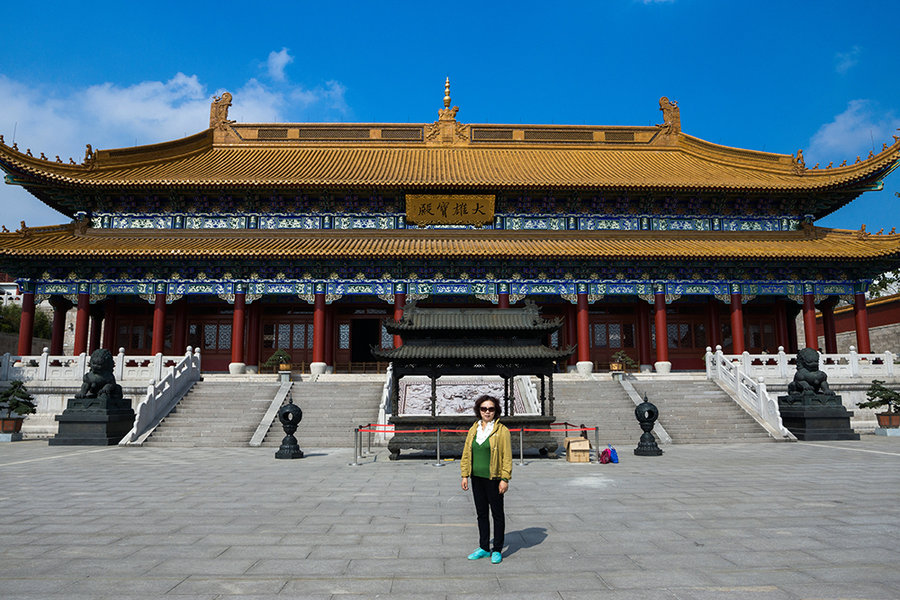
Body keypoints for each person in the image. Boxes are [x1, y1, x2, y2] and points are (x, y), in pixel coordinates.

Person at [460, 394, 512, 564]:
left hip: (494, 478)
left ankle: (497, 548)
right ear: (479, 410)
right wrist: (465, 474)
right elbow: (467, 453)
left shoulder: (502, 431)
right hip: (477, 478)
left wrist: (505, 478)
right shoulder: (473, 429)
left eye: (491, 409)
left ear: (496, 410)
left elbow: (507, 456)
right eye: (484, 408)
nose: (487, 412)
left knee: (497, 514)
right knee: (481, 513)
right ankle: (483, 547)